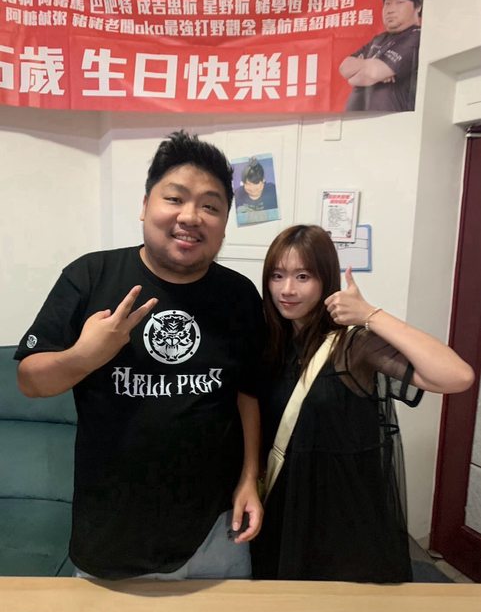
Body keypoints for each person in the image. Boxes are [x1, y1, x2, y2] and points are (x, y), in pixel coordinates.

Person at [15, 130, 265, 580]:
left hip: (216, 534)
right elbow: (30, 381)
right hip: (113, 537)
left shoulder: (240, 295)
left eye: (210, 206)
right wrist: (85, 356)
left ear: (225, 223)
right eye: (175, 198)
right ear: (145, 205)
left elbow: (247, 393)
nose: (191, 216)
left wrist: (250, 479)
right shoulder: (91, 276)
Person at [251, 225, 474, 583]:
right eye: (277, 276)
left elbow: (457, 376)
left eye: (303, 276)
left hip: (341, 512)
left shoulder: (353, 346)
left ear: (326, 280)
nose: (287, 289)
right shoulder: (269, 342)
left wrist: (371, 314)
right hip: (281, 503)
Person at [339, 0, 422, 112]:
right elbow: (344, 68)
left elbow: (374, 72)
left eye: (399, 2)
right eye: (387, 3)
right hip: (358, 119)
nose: (390, 10)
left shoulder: (417, 37)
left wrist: (359, 72)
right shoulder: (379, 39)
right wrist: (369, 70)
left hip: (391, 119)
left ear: (418, 7)